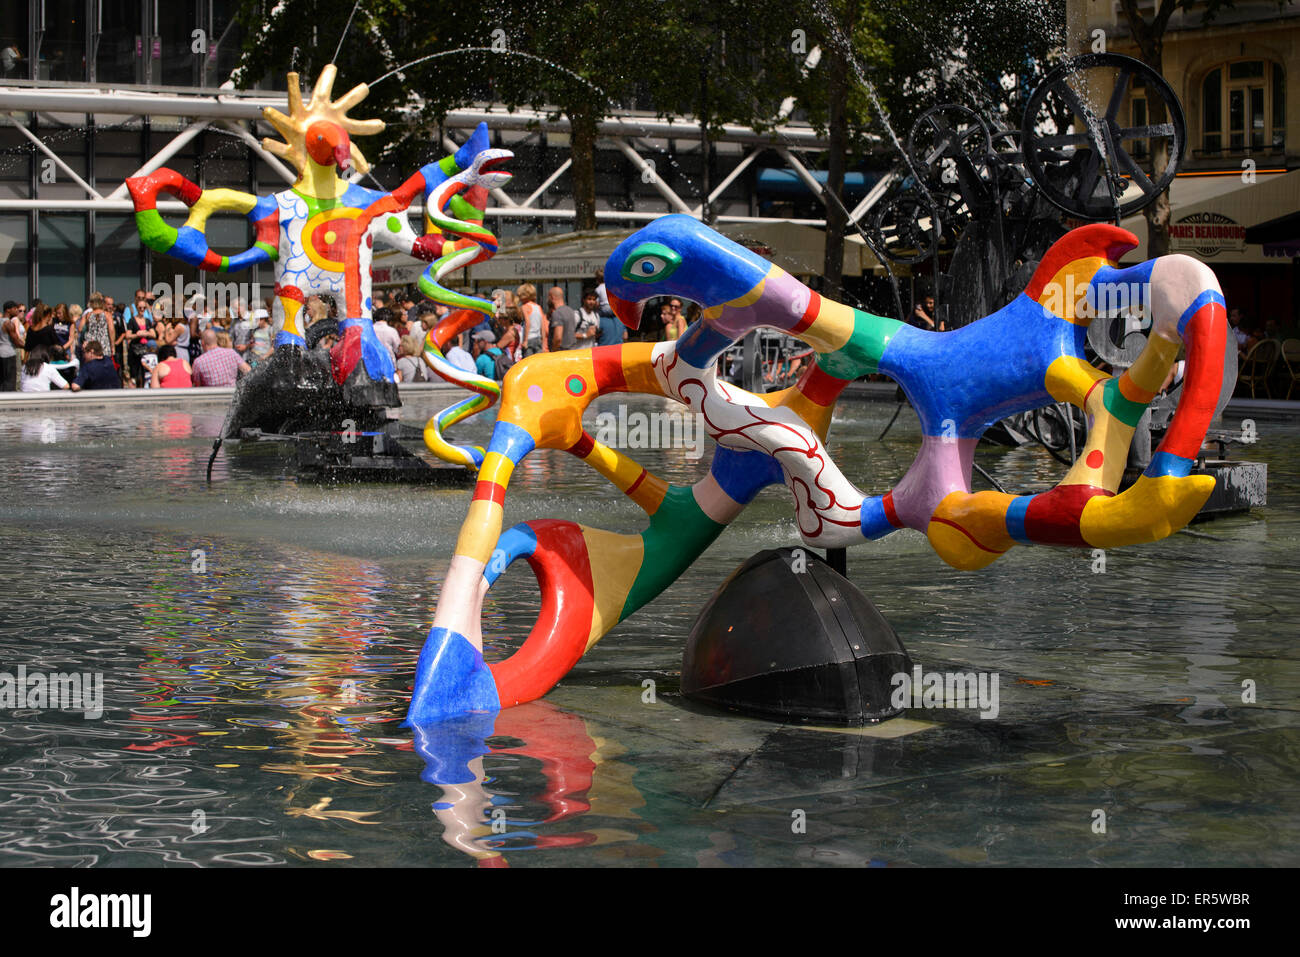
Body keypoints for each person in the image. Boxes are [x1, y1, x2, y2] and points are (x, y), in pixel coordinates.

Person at [517, 283, 548, 356]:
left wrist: (525, 340)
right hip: (538, 339)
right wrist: (544, 342)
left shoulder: (525, 307)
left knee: (528, 360)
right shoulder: (538, 307)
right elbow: (543, 325)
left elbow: (527, 323)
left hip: (529, 338)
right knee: (537, 360)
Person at [0, 300, 25, 390]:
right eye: (15, 308)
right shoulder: (9, 324)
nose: (17, 310)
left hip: (1, 354)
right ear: (8, 310)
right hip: (9, 355)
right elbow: (16, 341)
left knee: (1, 382)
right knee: (10, 382)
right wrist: (29, 346)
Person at [546, 285, 577, 351]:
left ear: (552, 297)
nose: (547, 300)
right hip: (572, 350)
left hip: (561, 352)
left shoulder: (557, 313)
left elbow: (558, 337)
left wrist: (553, 351)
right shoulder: (570, 311)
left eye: (548, 297)